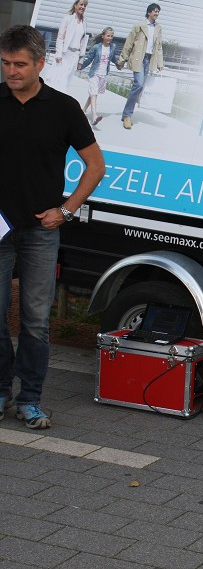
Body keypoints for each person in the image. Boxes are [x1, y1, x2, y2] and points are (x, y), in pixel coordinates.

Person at [0, 25, 105, 429]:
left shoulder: (63, 107)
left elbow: (95, 167)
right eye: (6, 63)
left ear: (40, 64)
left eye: (20, 64)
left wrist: (67, 210)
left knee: (35, 320)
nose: (12, 71)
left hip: (41, 231)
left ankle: (29, 399)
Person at [118, 3, 164, 130]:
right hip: (138, 59)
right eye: (155, 11)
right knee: (138, 84)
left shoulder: (158, 28)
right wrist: (122, 59)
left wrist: (160, 63)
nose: (157, 13)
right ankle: (127, 115)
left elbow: (159, 46)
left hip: (149, 60)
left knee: (140, 86)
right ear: (149, 12)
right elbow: (129, 43)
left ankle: (126, 113)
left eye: (158, 12)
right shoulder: (139, 26)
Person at [78, 27, 116, 126]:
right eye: (108, 36)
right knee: (94, 93)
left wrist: (119, 64)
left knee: (93, 94)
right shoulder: (97, 47)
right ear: (103, 36)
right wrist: (80, 66)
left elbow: (113, 58)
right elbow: (89, 59)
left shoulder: (112, 47)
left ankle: (83, 110)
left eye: (111, 36)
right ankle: (95, 117)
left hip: (103, 75)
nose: (110, 38)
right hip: (94, 73)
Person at [51, 0, 89, 94]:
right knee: (60, 82)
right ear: (75, 5)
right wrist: (58, 54)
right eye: (81, 4)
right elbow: (60, 37)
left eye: (85, 5)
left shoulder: (84, 21)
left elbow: (83, 41)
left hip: (75, 55)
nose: (83, 7)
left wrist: (81, 60)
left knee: (67, 82)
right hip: (65, 54)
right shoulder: (68, 18)